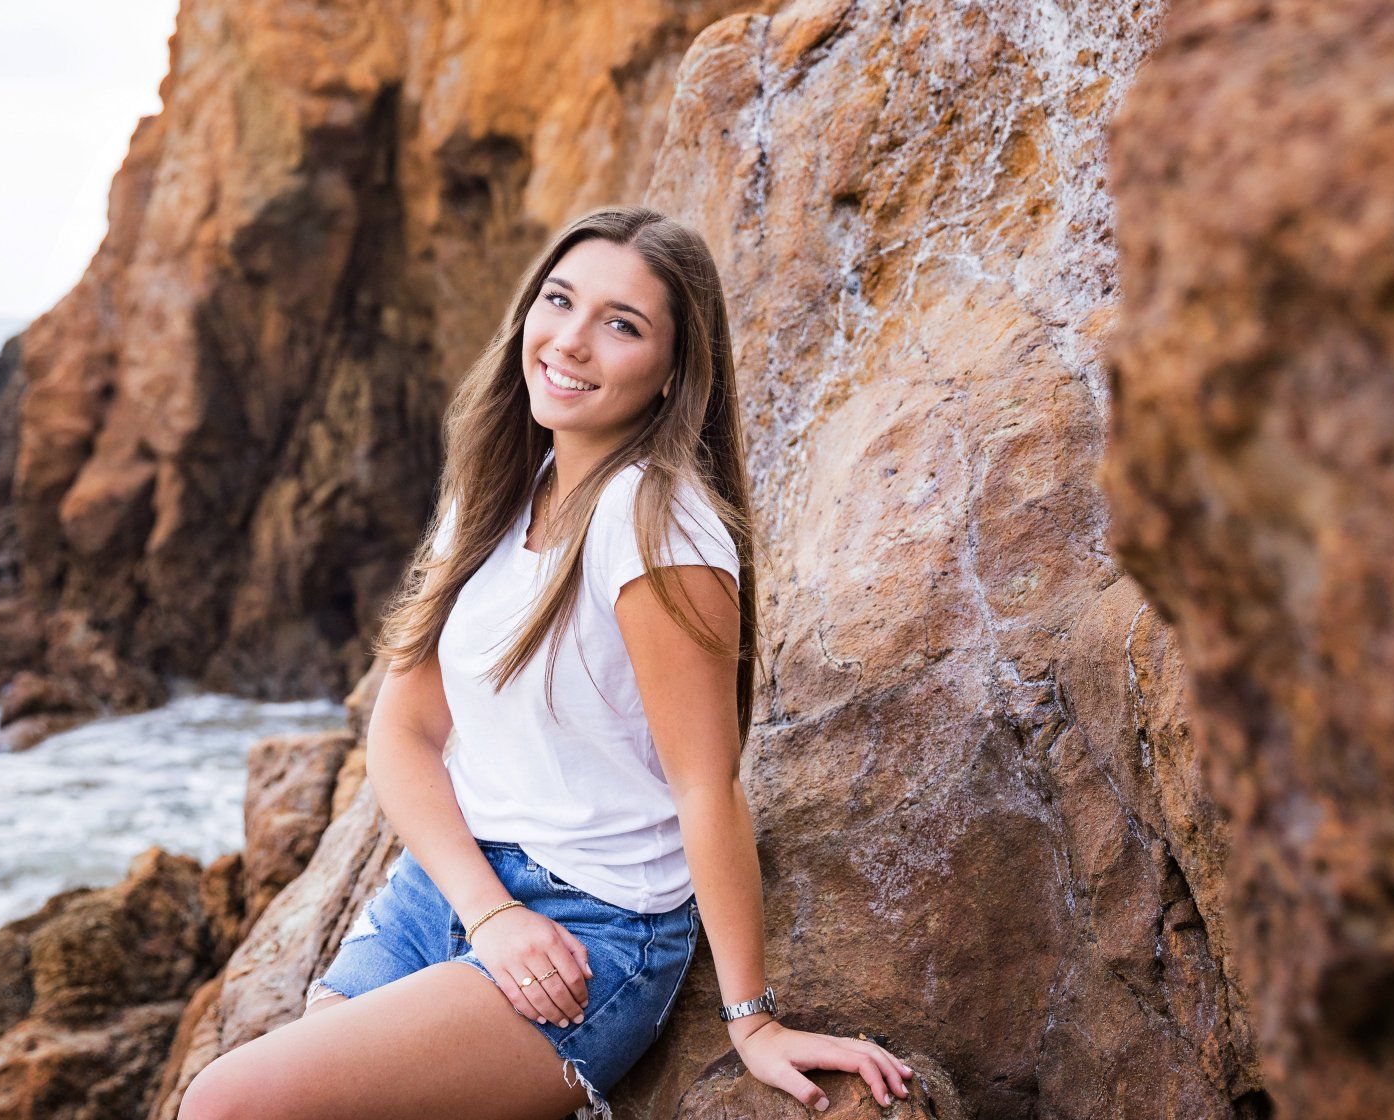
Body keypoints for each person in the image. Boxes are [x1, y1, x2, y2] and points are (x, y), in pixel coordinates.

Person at [179, 207, 913, 1120]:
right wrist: (487, 911)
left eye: (622, 324)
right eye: (560, 301)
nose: (571, 342)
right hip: (448, 889)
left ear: (672, 374)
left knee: (226, 1102)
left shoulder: (657, 527)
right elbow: (403, 732)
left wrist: (752, 1022)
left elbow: (706, 786)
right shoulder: (495, 492)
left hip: (599, 927)